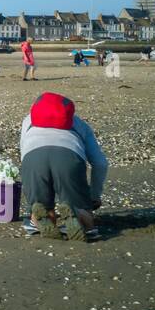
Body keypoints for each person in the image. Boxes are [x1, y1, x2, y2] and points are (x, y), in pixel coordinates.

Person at [19, 92, 108, 240]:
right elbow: (100, 163)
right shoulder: (80, 124)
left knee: (41, 205)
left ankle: (40, 218)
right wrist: (94, 195)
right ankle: (80, 218)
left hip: (32, 158)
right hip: (68, 157)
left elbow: (23, 151)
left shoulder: (28, 120)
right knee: (81, 207)